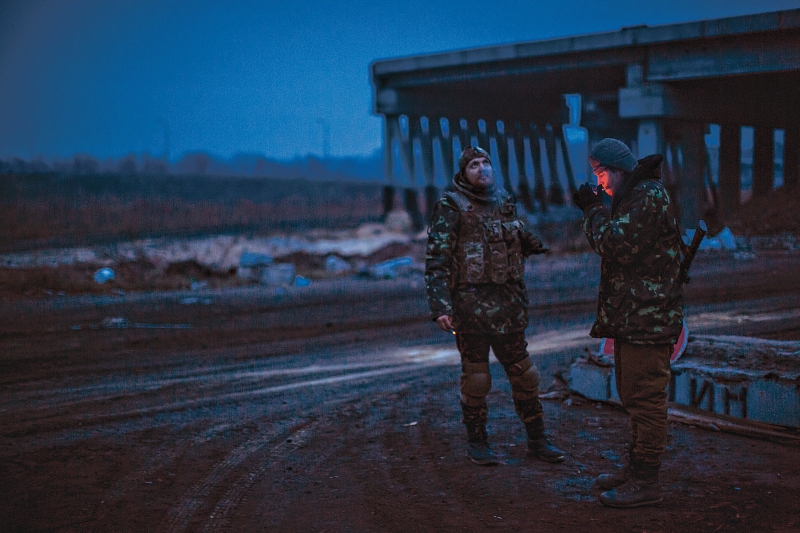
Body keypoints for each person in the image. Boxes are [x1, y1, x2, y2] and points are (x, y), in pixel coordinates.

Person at [425, 146, 564, 466]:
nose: (482, 169)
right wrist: (440, 306)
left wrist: (531, 242)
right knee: (476, 378)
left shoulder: (503, 201)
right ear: (463, 172)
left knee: (525, 374)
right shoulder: (452, 206)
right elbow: (437, 260)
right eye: (474, 165)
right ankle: (478, 441)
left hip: (509, 306)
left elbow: (515, 238)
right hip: (470, 308)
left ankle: (538, 439)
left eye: (486, 163)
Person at [572, 138, 684, 508]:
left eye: (601, 173)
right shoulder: (637, 195)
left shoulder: (647, 197)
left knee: (646, 399)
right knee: (633, 396)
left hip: (648, 317)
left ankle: (647, 481)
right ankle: (636, 470)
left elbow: (615, 245)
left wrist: (592, 209)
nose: (599, 181)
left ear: (618, 170)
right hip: (635, 315)